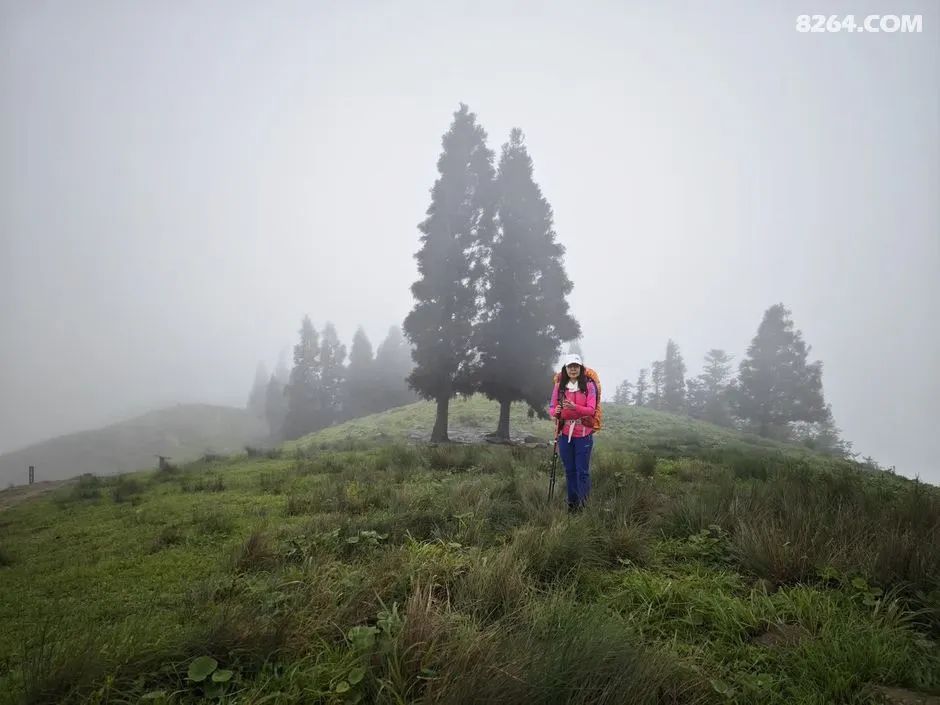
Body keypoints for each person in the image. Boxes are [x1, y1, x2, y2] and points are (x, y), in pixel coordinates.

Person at [548, 353, 597, 511]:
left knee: (582, 471)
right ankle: (572, 504)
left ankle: (583, 505)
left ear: (581, 368)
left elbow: (591, 410)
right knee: (570, 470)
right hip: (564, 434)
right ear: (566, 368)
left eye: (576, 366)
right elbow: (551, 408)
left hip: (583, 434)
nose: (573, 369)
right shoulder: (560, 386)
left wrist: (574, 408)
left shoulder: (589, 386)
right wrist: (554, 411)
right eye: (570, 366)